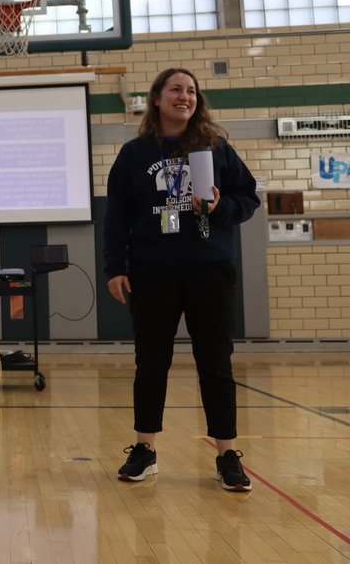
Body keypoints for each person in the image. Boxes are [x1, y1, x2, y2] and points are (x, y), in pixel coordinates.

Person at [103, 67, 260, 492]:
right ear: (156, 98)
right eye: (175, 89)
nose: (184, 96)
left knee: (216, 363)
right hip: (152, 273)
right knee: (151, 362)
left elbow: (249, 200)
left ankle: (227, 454)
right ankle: (145, 450)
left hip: (210, 270)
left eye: (191, 91)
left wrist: (220, 208)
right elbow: (116, 216)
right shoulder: (134, 154)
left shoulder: (217, 149)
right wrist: (115, 267)